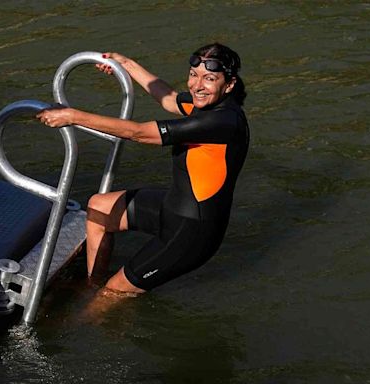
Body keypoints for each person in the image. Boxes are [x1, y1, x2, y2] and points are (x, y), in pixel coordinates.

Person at [37, 42, 249, 298]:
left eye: (209, 78)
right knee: (98, 208)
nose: (197, 85)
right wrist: (125, 64)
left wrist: (72, 116)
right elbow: (169, 98)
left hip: (193, 234)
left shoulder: (222, 122)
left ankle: (98, 312)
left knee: (113, 294)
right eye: (194, 75)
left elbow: (139, 133)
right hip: (173, 207)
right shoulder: (205, 104)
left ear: (229, 84)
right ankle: (92, 286)